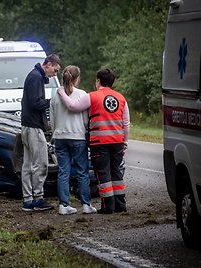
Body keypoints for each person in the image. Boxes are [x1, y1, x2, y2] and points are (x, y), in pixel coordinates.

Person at [57, 68, 130, 214]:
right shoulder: (121, 98)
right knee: (116, 172)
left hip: (100, 142)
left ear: (98, 81)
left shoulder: (92, 96)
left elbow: (72, 106)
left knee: (103, 173)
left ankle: (108, 206)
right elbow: (126, 123)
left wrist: (61, 93)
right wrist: (125, 141)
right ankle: (120, 204)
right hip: (117, 141)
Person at [50, 65, 97, 215]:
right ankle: (86, 204)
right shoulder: (82, 94)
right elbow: (85, 119)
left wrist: (55, 132)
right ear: (77, 79)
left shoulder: (55, 96)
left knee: (63, 171)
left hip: (60, 136)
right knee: (82, 171)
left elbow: (52, 119)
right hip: (77, 136)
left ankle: (64, 205)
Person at [20, 54, 62, 211]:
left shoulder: (34, 75)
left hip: (27, 125)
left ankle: (28, 200)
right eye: (55, 70)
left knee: (28, 164)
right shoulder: (36, 77)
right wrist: (53, 102)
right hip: (33, 126)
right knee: (41, 163)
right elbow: (35, 102)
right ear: (48, 64)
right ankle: (38, 198)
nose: (55, 74)